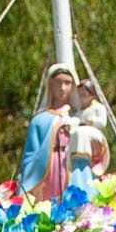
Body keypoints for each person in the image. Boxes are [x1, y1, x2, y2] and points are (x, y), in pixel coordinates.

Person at [19, 63, 78, 200]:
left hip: (72, 165)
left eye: (67, 83)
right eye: (57, 83)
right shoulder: (40, 120)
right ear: (50, 85)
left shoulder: (80, 117)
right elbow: (30, 155)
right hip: (48, 169)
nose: (62, 88)